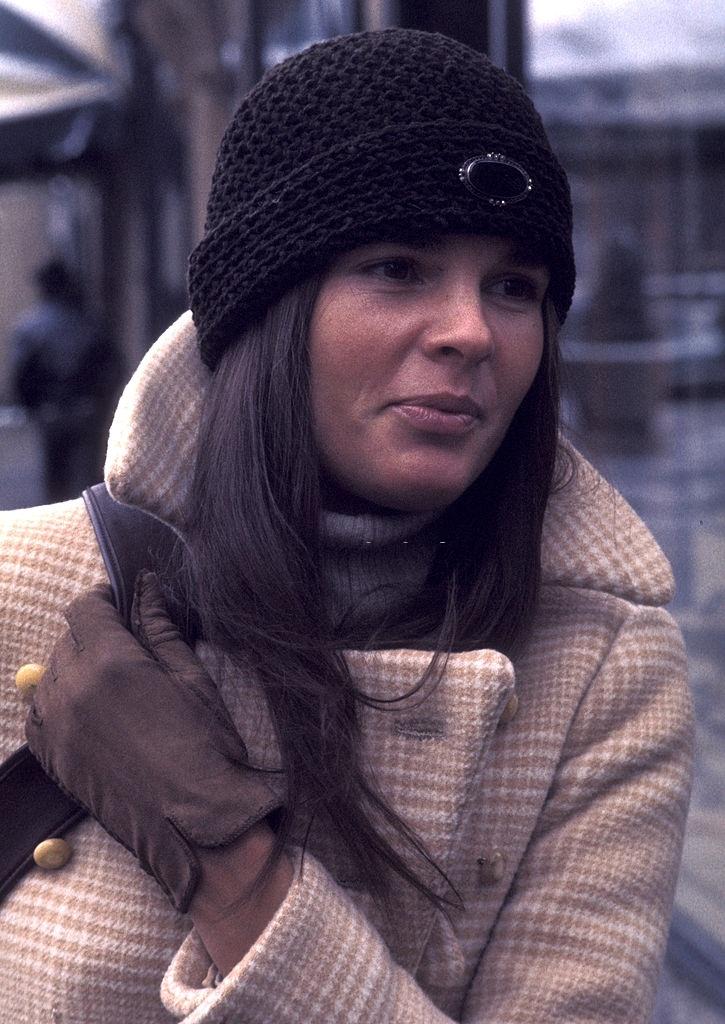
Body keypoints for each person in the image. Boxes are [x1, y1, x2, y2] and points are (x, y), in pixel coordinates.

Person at [0, 29, 693, 1024]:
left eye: (514, 287)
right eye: (398, 266)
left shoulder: (601, 676)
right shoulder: (21, 589)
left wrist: (227, 865)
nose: (470, 329)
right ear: (268, 308)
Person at [9, 259, 122, 502]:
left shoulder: (30, 328)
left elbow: (21, 375)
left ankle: (60, 522)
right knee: (88, 477)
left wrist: (32, 407)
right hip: (86, 409)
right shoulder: (90, 324)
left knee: (55, 475)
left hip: (50, 411)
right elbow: (112, 366)